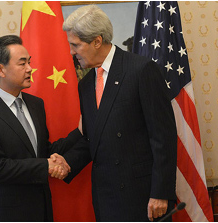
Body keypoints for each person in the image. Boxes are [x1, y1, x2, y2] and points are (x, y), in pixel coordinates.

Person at [59, 4, 177, 222]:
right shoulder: (85, 85)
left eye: (76, 45)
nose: (71, 52)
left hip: (143, 198)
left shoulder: (141, 70)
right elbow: (94, 138)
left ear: (97, 41)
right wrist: (67, 163)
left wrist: (161, 193)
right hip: (106, 198)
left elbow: (163, 137)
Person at [0, 35, 81, 222]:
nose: (30, 69)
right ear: (0, 70)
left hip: (41, 211)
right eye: (22, 63)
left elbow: (42, 152)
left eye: (30, 62)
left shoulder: (36, 105)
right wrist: (46, 166)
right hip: (5, 215)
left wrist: (79, 133)